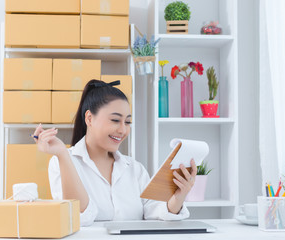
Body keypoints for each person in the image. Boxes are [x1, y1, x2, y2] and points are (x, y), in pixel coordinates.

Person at [33, 79, 197, 226]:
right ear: (89, 118)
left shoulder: (134, 168)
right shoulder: (62, 162)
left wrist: (178, 197)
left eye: (127, 122)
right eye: (115, 120)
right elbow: (77, 216)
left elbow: (154, 212)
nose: (123, 129)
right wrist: (62, 154)